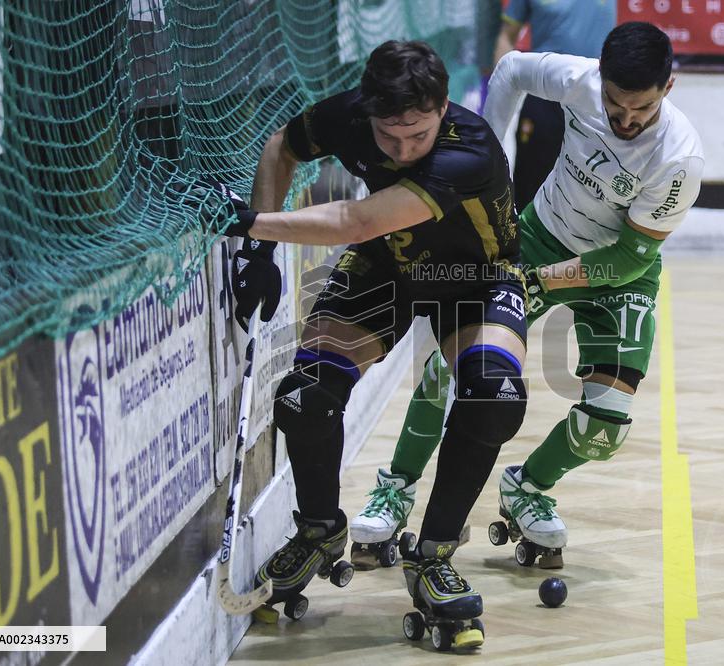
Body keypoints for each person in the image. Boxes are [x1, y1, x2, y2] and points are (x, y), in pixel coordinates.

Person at [350, 22, 703, 568]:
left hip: (621, 276)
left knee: (604, 430)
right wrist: (488, 168)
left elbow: (628, 257)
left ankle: (527, 486)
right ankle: (395, 488)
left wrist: (535, 282)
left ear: (668, 88)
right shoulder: (579, 79)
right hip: (539, 237)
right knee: (456, 365)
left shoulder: (679, 158)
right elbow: (512, 69)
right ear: (600, 78)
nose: (625, 119)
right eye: (614, 103)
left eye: (642, 109)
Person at [218, 40, 527, 647]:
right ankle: (319, 531)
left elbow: (354, 222)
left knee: (494, 398)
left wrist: (250, 225)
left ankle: (433, 554)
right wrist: (259, 251)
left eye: (418, 134)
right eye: (390, 138)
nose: (404, 149)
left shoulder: (470, 151)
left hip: (474, 278)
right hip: (387, 268)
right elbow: (282, 145)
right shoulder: (350, 116)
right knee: (304, 398)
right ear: (368, 112)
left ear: (443, 107)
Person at [492, 0, 616, 213]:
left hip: (597, 100)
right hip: (544, 98)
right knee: (531, 183)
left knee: (595, 188)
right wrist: (502, 88)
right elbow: (507, 35)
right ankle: (521, 242)